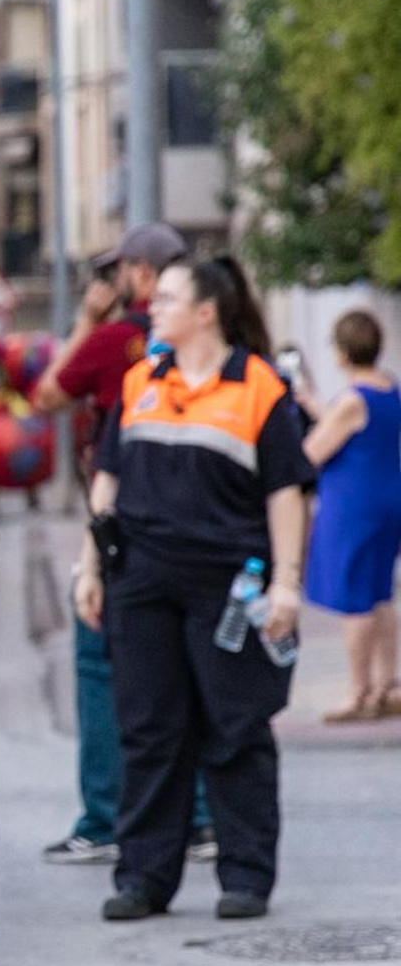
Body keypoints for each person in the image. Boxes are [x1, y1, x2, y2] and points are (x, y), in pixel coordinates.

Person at [74, 255, 315, 922]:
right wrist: (88, 566)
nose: (154, 305)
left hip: (228, 583)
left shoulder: (259, 387)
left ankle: (246, 874)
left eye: (169, 297)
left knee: (234, 727)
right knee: (150, 730)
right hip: (141, 580)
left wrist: (288, 585)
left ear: (206, 311)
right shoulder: (141, 379)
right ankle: (145, 876)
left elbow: (286, 492)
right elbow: (107, 482)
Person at [31, 224, 215, 866]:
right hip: (202, 521)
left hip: (125, 524)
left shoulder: (116, 341)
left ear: (142, 274)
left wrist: (86, 320)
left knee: (99, 663)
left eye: (117, 271)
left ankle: (106, 817)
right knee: (186, 664)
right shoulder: (215, 341)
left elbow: (47, 393)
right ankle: (196, 815)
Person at [300, 310, 401, 721]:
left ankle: (358, 690)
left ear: (342, 351)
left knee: (354, 596)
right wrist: (313, 404)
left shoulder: (351, 399)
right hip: (386, 498)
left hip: (353, 504)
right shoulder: (389, 389)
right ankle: (387, 683)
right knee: (380, 591)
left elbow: (313, 452)